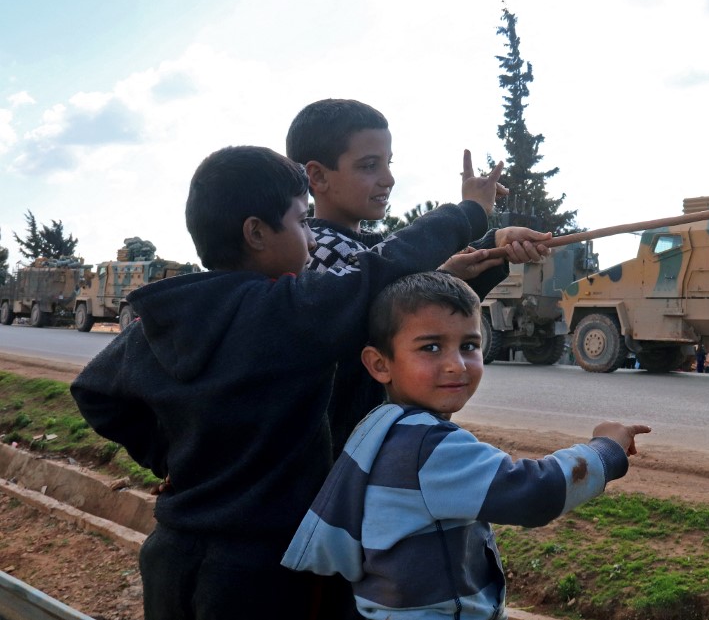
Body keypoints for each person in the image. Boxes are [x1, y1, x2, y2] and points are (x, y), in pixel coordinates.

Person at [70, 145, 504, 620]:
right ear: (256, 232)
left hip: (173, 553)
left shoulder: (166, 314)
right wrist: (470, 213)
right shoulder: (286, 313)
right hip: (265, 571)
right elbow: (384, 266)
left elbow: (94, 392)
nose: (313, 242)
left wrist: (169, 457)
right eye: (301, 223)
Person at [282, 271, 651, 620]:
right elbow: (534, 492)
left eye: (469, 345)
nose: (457, 364)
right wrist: (606, 450)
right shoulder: (427, 446)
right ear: (380, 365)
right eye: (431, 347)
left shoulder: (382, 426)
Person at [285, 98, 551, 450]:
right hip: (342, 459)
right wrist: (469, 213)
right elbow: (393, 297)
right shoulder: (318, 251)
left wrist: (495, 245)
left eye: (388, 163)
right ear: (316, 176)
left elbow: (403, 292)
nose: (388, 178)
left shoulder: (364, 252)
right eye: (369, 166)